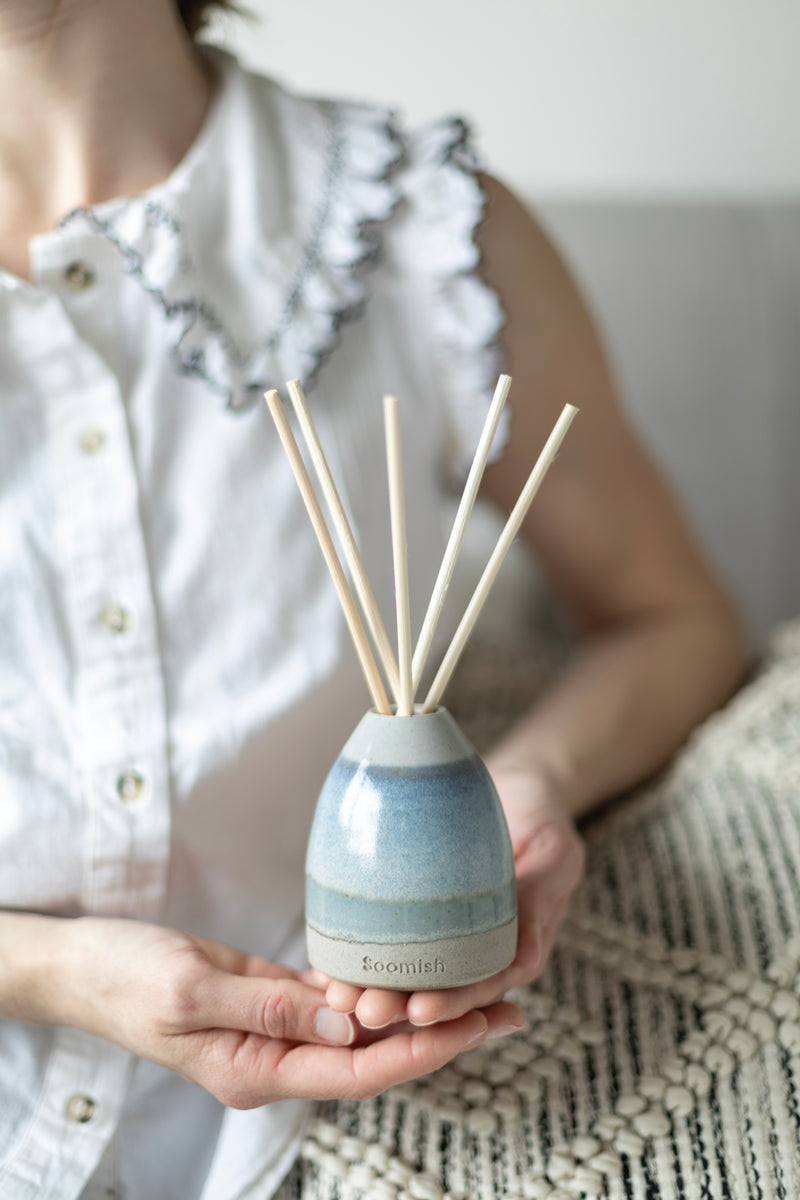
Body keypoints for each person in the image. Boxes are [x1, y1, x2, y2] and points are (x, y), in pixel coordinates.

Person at [0, 0, 745, 1196]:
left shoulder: (419, 229)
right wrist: (46, 970)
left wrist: (528, 785)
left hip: (338, 1135)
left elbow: (671, 617)